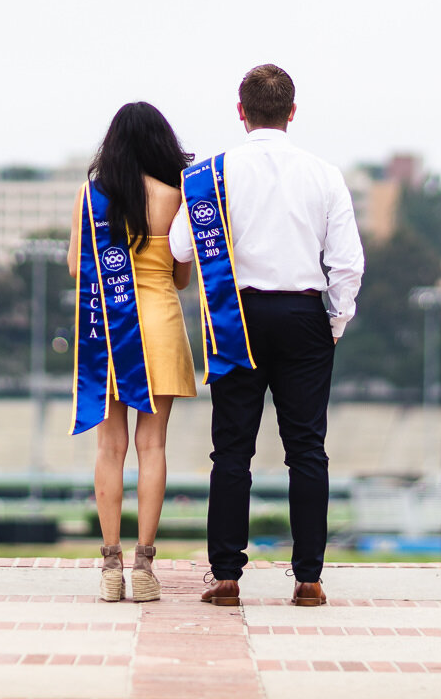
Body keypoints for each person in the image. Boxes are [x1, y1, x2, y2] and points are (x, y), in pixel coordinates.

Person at [170, 63, 364, 607]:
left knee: (231, 450)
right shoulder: (325, 175)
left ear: (241, 112)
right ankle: (309, 579)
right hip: (304, 317)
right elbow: (347, 263)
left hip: (238, 315)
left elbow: (182, 249)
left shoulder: (211, 175)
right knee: (308, 451)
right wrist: (336, 320)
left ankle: (227, 576)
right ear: (292, 113)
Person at [67, 101, 196, 602]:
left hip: (111, 333)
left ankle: (110, 567)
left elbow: (80, 271)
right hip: (161, 328)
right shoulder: (176, 197)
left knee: (109, 449)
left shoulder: (89, 197)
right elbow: (181, 275)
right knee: (153, 448)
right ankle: (144, 567)